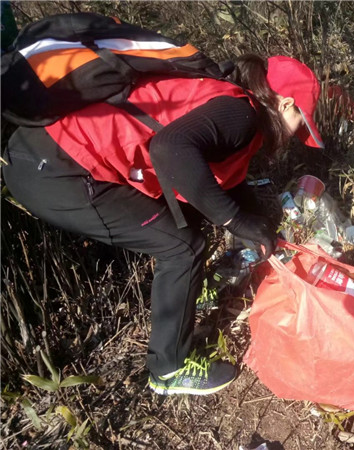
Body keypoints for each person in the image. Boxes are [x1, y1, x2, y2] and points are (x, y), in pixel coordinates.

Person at [2, 54, 324, 396]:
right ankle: (168, 370)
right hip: (55, 170)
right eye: (300, 123)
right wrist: (235, 220)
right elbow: (170, 149)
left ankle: (193, 294)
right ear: (285, 103)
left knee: (189, 219)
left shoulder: (229, 95)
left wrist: (255, 223)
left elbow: (218, 176)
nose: (296, 134)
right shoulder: (242, 114)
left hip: (38, 149)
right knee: (182, 246)